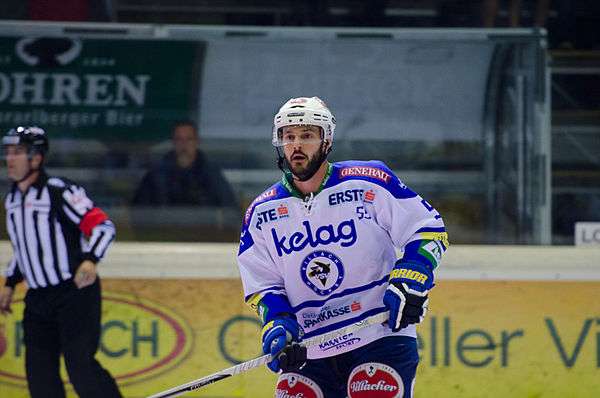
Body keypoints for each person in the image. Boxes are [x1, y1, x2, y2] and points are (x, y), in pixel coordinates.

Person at [237, 97, 449, 397]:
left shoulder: (369, 182)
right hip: (309, 349)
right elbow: (263, 284)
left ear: (326, 141)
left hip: (378, 335)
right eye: (289, 136)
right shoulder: (262, 213)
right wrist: (277, 323)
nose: (297, 145)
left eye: (307, 135)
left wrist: (412, 275)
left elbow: (428, 229)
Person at [0, 126, 121, 398]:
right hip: (38, 299)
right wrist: (9, 283)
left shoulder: (59, 192)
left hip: (74, 295)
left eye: (17, 152)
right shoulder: (12, 200)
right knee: (40, 378)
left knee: (81, 369)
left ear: (36, 158)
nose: (9, 158)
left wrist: (90, 260)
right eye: (8, 152)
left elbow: (103, 226)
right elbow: (25, 247)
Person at [132, 120, 238, 209]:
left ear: (197, 142)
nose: (184, 145)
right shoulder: (157, 174)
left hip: (203, 231)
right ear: (173, 142)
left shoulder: (211, 173)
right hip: (164, 231)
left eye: (189, 139)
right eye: (179, 139)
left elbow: (229, 207)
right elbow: (140, 211)